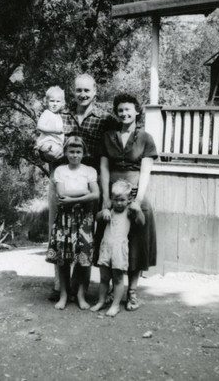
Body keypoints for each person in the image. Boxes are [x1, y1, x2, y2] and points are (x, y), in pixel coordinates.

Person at [48, 73, 115, 301]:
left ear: (95, 91)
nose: (83, 94)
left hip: (89, 183)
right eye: (79, 90)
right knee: (60, 234)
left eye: (87, 90)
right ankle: (61, 287)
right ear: (73, 92)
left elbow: (118, 140)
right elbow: (45, 141)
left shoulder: (105, 119)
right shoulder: (60, 116)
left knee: (86, 237)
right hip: (62, 181)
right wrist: (45, 151)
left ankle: (81, 288)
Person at [100, 93, 158, 311]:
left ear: (136, 111)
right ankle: (107, 291)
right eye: (120, 110)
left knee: (136, 244)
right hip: (113, 196)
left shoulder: (145, 138)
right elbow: (104, 168)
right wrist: (105, 197)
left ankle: (132, 292)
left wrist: (138, 200)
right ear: (117, 113)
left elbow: (145, 171)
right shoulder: (108, 136)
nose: (124, 113)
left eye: (128, 109)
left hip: (134, 195)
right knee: (107, 241)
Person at [46, 136, 99, 310]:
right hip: (64, 219)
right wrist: (83, 193)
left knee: (83, 257)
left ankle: (80, 295)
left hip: (84, 219)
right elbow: (61, 194)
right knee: (63, 258)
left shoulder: (89, 171)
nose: (75, 155)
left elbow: (95, 194)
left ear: (83, 153)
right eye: (71, 152)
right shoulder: (60, 171)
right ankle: (63, 294)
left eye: (78, 152)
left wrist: (73, 197)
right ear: (66, 152)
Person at [91, 179, 145, 317]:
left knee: (118, 278)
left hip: (119, 249)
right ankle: (101, 301)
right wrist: (103, 212)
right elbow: (96, 218)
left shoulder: (129, 212)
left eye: (122, 200)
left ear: (128, 200)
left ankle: (115, 305)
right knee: (104, 278)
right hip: (106, 247)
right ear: (112, 199)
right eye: (116, 200)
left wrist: (138, 210)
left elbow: (141, 222)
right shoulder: (110, 210)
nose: (119, 203)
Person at [35, 86, 65, 162]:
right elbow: (39, 127)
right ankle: (40, 149)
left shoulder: (59, 116)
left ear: (62, 103)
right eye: (52, 101)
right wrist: (55, 131)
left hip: (57, 144)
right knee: (52, 150)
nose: (55, 104)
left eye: (58, 101)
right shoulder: (47, 113)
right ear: (47, 102)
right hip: (47, 142)